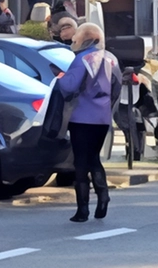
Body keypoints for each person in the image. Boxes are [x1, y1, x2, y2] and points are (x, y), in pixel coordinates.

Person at [56, 23, 122, 222]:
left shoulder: (81, 59)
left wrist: (60, 78)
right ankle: (103, 196)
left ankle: (82, 209)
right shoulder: (112, 59)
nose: (72, 43)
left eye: (75, 39)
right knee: (94, 156)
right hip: (102, 117)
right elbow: (117, 87)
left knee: (81, 162)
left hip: (82, 117)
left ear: (86, 39)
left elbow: (69, 86)